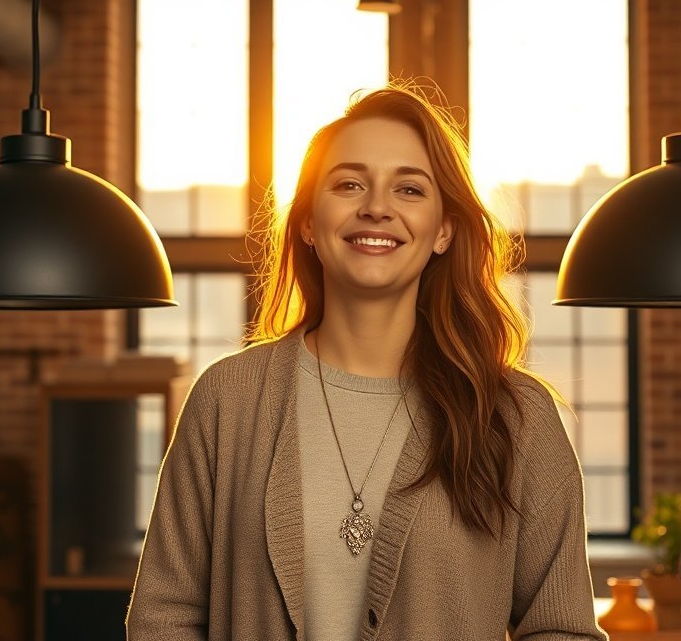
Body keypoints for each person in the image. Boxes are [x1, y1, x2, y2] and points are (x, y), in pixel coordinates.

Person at [126, 82, 607, 640]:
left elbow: (561, 629)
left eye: (409, 189)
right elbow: (163, 618)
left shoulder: (516, 416)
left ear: (444, 231)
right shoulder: (226, 400)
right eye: (349, 184)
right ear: (307, 222)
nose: (377, 208)